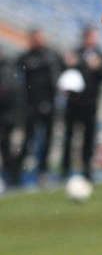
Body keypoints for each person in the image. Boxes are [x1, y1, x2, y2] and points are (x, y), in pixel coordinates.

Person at [60, 27, 102, 182]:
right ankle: (65, 170)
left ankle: (87, 170)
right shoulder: (75, 54)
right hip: (73, 103)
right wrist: (70, 64)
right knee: (69, 136)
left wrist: (97, 67)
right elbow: (64, 74)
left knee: (89, 138)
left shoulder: (100, 55)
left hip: (91, 103)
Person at [16, 29, 64, 185]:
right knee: (28, 139)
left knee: (47, 139)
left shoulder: (52, 56)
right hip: (30, 104)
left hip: (49, 102)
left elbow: (62, 71)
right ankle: (18, 172)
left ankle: (43, 171)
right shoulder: (25, 58)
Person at [0, 49, 22, 189]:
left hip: (6, 117)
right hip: (9, 116)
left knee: (7, 148)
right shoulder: (9, 71)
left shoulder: (6, 72)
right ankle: (12, 176)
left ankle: (12, 177)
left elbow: (9, 95)